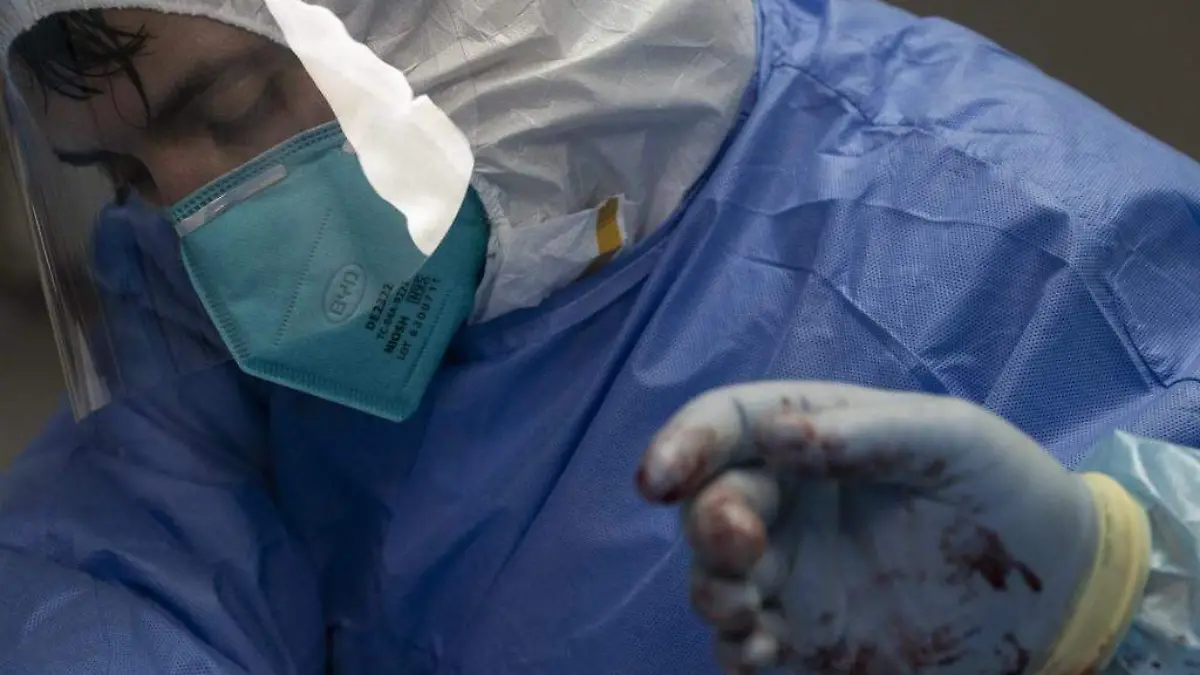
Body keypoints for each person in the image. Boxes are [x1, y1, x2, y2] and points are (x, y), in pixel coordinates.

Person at [1, 0, 1199, 673]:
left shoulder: (1047, 243)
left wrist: (1112, 604)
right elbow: (107, 567)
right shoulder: (196, 265)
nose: (194, 225)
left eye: (228, 105)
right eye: (120, 172)